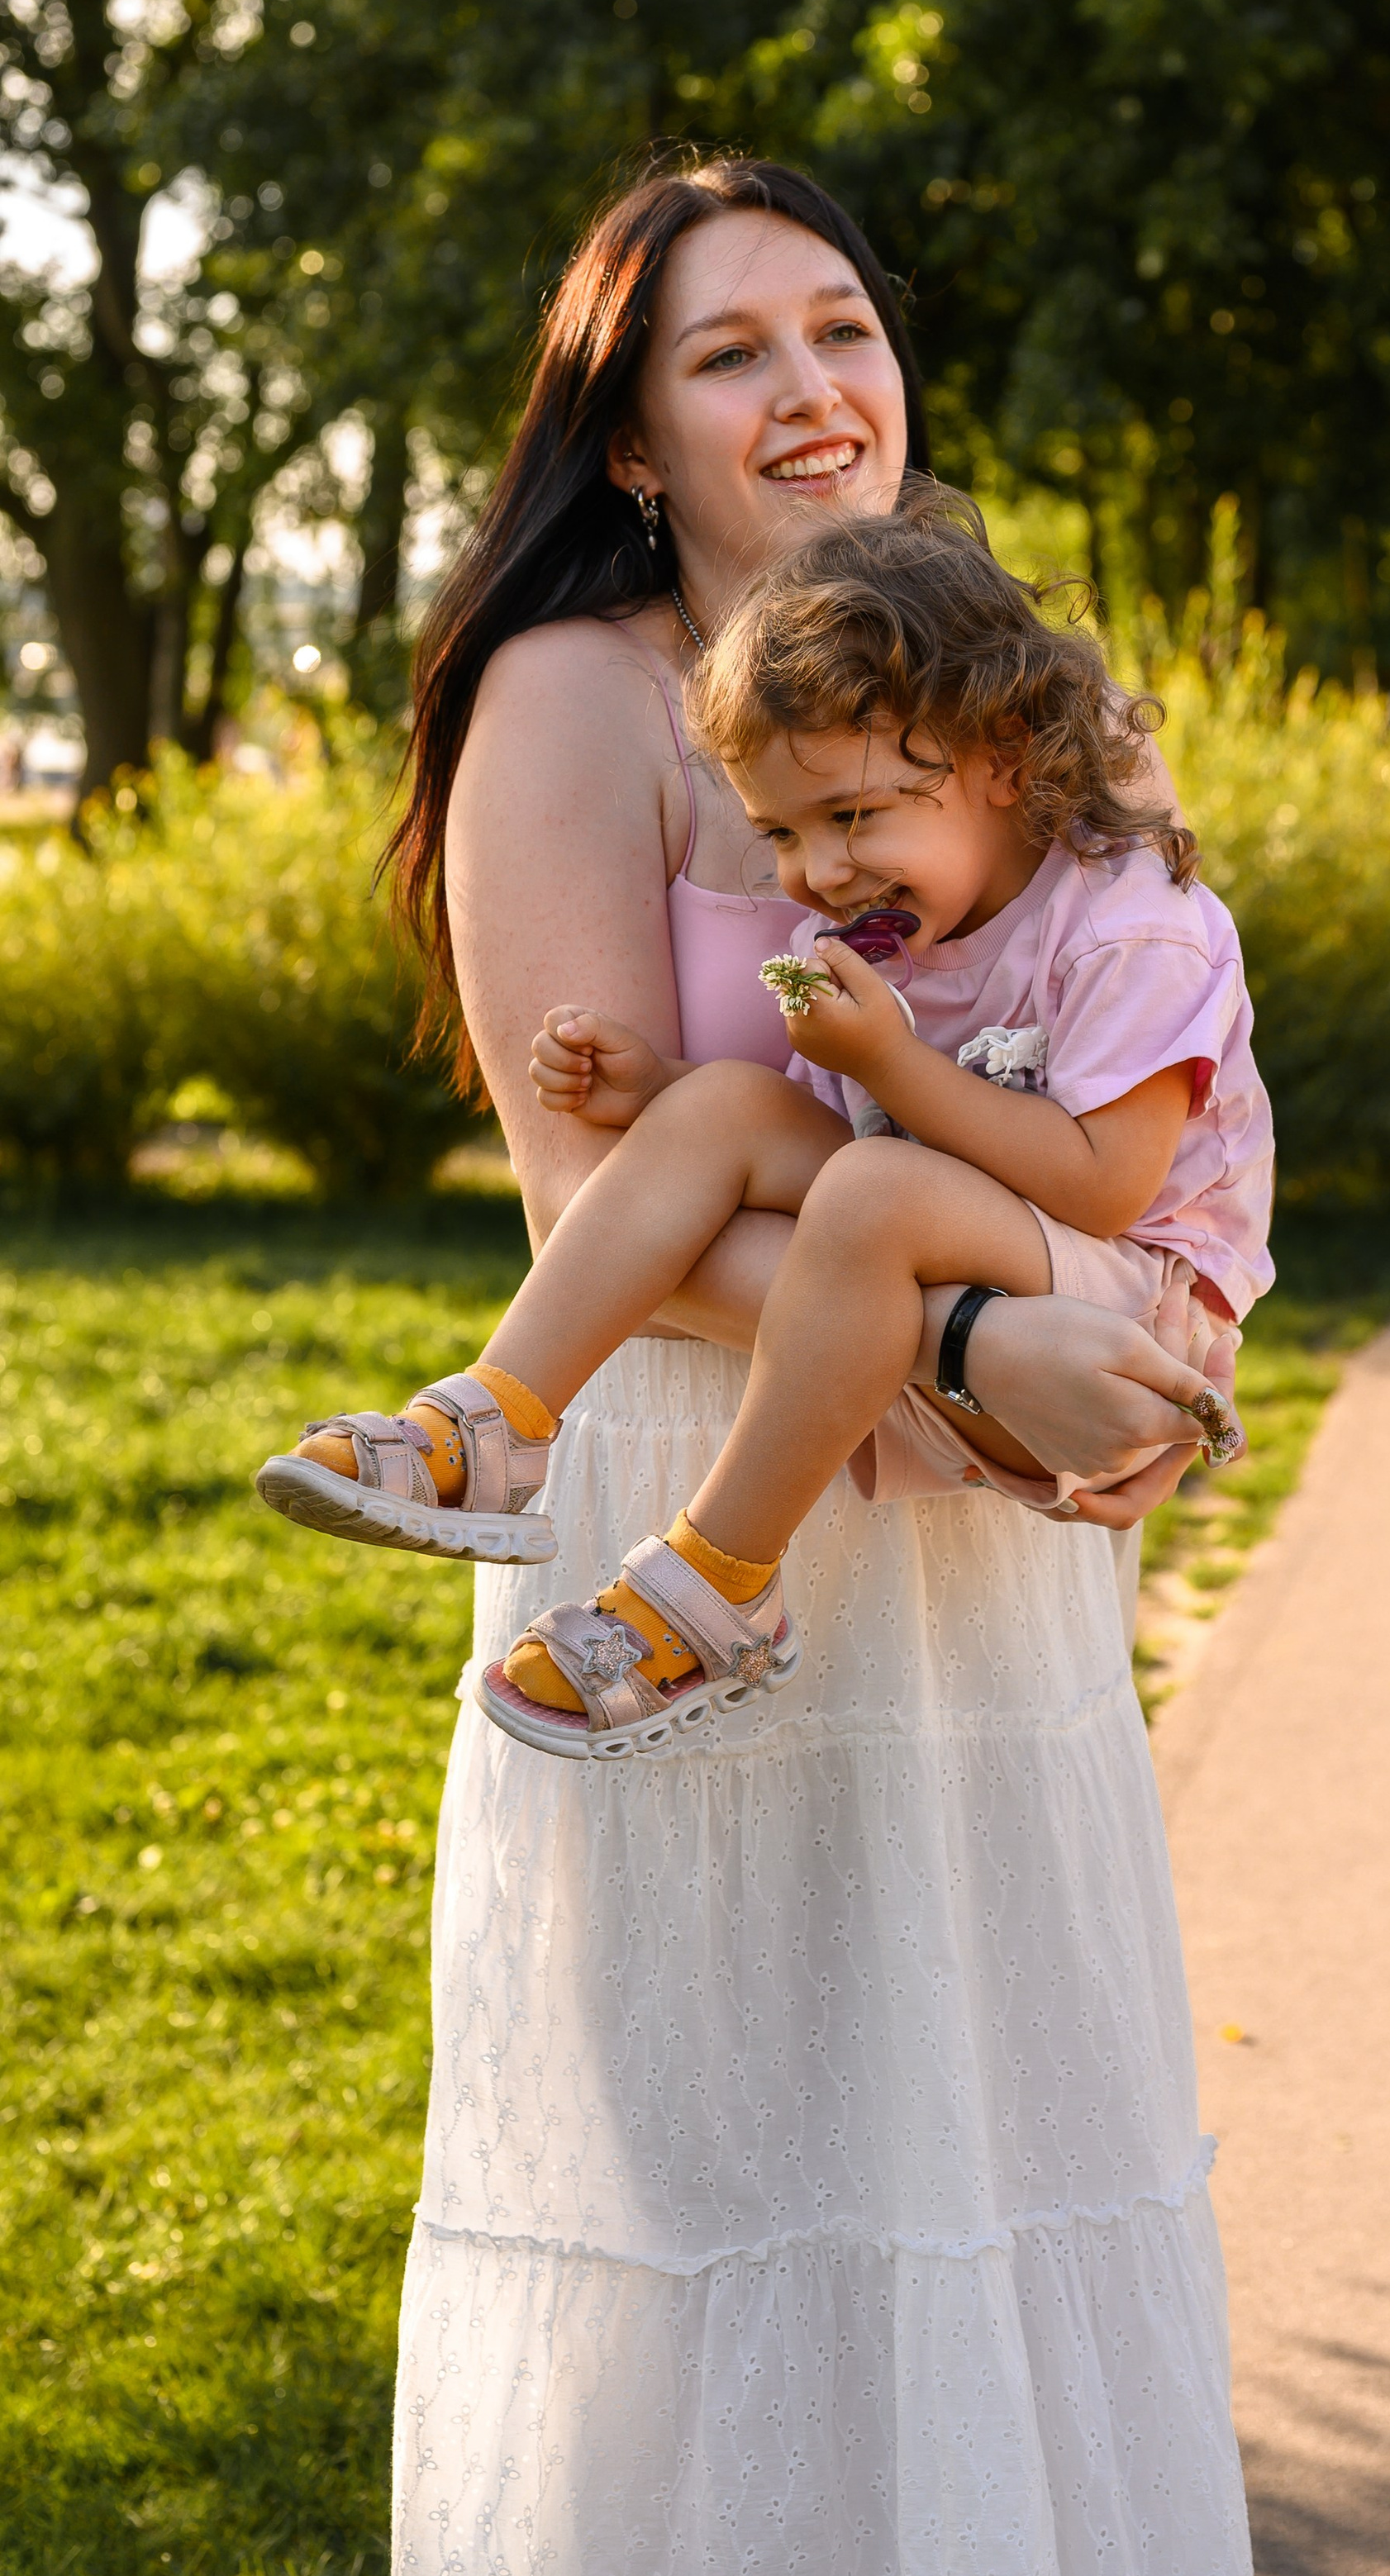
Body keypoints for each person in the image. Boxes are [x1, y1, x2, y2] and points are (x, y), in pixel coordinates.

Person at [380, 154, 1263, 2576]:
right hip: (702, 1483)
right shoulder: (579, 695)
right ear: (631, 440)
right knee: (730, 2176)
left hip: (979, 1554)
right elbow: (592, 1182)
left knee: (983, 2141)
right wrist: (981, 1339)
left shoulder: (1022, 694)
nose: (808, 386)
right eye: (730, 351)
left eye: (841, 326)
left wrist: (1147, 1363)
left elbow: (1142, 1109)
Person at [261, 501, 1267, 1761]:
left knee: (872, 1196)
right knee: (733, 1105)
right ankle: (496, 1422)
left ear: (1003, 759)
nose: (818, 873)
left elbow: (1110, 1186)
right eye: (782, 834)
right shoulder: (881, 934)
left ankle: (722, 1578)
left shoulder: (1133, 929)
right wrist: (666, 1089)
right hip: (974, 1242)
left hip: (1132, 1310)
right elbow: (838, 1125)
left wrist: (894, 1059)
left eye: (851, 817)